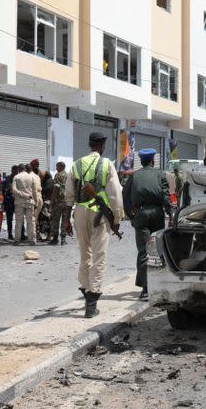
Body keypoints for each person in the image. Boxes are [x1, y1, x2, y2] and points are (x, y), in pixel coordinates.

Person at [64, 132, 124, 318]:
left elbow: (68, 195)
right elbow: (115, 195)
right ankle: (92, 301)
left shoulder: (76, 164)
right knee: (99, 256)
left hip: (80, 212)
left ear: (90, 145)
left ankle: (85, 287)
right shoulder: (107, 164)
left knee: (85, 253)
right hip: (99, 213)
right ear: (102, 146)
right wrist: (117, 218)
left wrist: (66, 219)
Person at [123, 149, 172, 301]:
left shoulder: (134, 176)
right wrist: (170, 214)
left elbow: (125, 197)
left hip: (141, 214)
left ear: (141, 161)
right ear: (153, 161)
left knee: (144, 251)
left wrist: (130, 215)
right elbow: (165, 196)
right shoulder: (160, 174)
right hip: (157, 214)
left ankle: (145, 289)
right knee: (157, 250)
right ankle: (158, 285)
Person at [12, 163, 37, 246]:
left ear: (18, 170)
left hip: (19, 202)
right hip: (30, 202)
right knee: (31, 221)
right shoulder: (31, 177)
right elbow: (34, 191)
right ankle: (32, 240)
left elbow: (14, 190)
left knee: (18, 222)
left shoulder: (16, 177)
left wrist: (23, 194)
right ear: (25, 169)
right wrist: (35, 201)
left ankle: (17, 240)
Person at [50, 162, 68, 245]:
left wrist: (52, 200)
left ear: (61, 167)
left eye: (57, 166)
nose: (56, 168)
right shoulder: (68, 175)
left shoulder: (58, 175)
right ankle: (63, 239)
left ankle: (55, 238)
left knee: (56, 220)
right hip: (67, 201)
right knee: (64, 220)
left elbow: (56, 187)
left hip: (58, 202)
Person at [3, 166, 18, 240]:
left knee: (19, 218)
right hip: (9, 200)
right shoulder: (8, 178)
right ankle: (10, 234)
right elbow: (6, 188)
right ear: (12, 171)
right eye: (15, 170)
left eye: (17, 171)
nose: (16, 172)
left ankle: (21, 234)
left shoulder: (18, 178)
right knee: (10, 219)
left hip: (17, 199)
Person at [31, 159, 43, 239]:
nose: (37, 167)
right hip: (37, 197)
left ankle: (34, 235)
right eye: (35, 165)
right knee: (35, 217)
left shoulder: (38, 174)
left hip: (36, 197)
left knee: (34, 217)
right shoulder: (35, 175)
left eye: (37, 165)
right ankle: (35, 234)